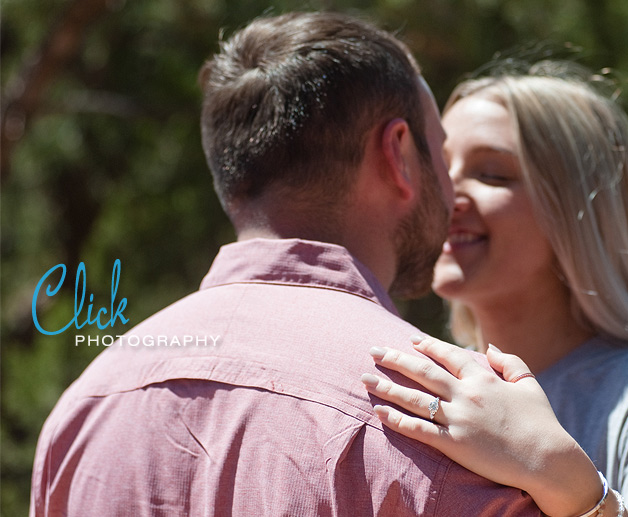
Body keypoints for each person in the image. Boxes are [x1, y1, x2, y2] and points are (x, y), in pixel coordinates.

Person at [29, 12, 553, 516]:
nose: (454, 187)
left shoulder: (85, 409)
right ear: (398, 153)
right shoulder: (441, 419)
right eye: (439, 148)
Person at [361, 63, 628, 517]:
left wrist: (568, 485)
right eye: (439, 168)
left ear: (578, 211)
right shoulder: (436, 386)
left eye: (492, 174)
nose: (448, 195)